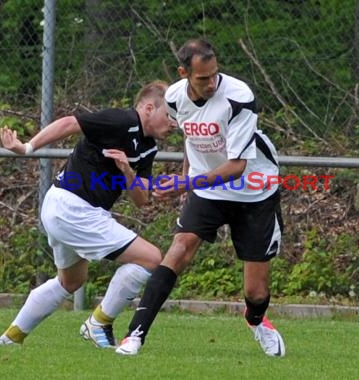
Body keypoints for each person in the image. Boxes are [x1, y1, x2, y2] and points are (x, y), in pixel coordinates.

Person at [115, 39, 285, 357]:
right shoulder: (175, 98)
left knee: (256, 291)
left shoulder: (238, 98)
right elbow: (191, 139)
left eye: (214, 75)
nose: (211, 84)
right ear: (184, 73)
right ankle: (134, 336)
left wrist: (185, 183)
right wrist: (188, 182)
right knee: (178, 250)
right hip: (208, 187)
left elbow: (237, 166)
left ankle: (256, 320)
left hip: (255, 189)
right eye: (202, 78)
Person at [0, 80, 176, 348]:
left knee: (71, 280)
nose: (175, 123)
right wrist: (28, 148)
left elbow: (141, 198)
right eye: (170, 115)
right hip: (73, 207)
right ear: (149, 107)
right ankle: (98, 323)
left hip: (66, 209)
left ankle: (10, 338)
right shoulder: (121, 120)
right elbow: (70, 123)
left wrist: (127, 171)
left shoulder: (149, 147)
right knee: (151, 259)